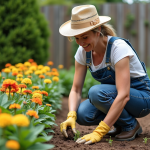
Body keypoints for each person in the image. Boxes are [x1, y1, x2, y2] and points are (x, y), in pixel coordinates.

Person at [59, 5, 150, 145]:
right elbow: (76, 89)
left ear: (98, 31)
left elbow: (124, 95)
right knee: (82, 114)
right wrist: (71, 115)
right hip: (116, 96)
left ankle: (131, 126)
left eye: (85, 37)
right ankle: (120, 125)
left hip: (141, 98)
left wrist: (99, 131)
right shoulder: (83, 51)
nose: (81, 43)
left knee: (96, 92)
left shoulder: (118, 48)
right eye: (76, 38)